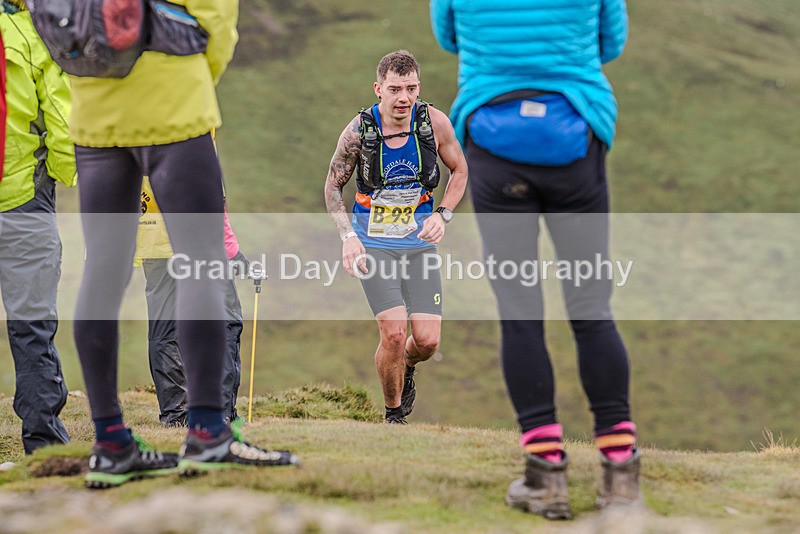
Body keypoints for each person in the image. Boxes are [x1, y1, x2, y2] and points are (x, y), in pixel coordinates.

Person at [68, 0, 298, 488]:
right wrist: (196, 79)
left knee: (103, 269)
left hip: (93, 104)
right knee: (202, 262)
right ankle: (208, 433)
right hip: (174, 101)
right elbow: (216, 19)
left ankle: (110, 443)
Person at [431, 0, 639, 518]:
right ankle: (619, 475)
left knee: (519, 309)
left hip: (493, 137)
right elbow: (610, 43)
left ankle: (545, 476)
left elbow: (448, 37)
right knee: (591, 304)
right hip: (574, 130)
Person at [324, 50, 468, 425]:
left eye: (411, 88)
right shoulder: (358, 131)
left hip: (419, 247)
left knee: (427, 341)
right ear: (378, 90)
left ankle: (404, 364)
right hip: (373, 244)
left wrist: (443, 214)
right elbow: (332, 187)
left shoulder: (434, 124)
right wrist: (347, 238)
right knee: (392, 333)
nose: (404, 98)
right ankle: (393, 415)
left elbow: (460, 171)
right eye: (395, 89)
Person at [0, 0, 74, 455]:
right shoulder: (31, 33)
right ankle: (44, 444)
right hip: (23, 199)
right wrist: (62, 176)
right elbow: (62, 120)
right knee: (31, 325)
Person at [136, 177, 245, 426]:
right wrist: (230, 248)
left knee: (164, 329)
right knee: (225, 321)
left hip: (155, 242)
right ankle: (220, 412)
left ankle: (175, 415)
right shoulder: (195, 136)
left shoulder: (131, 136)